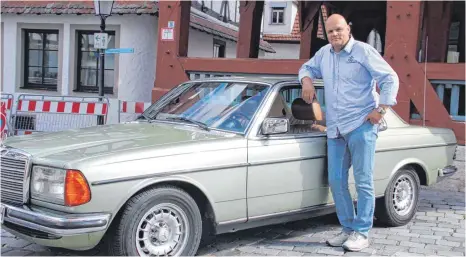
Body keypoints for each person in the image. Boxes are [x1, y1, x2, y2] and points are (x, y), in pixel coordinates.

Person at [298, 14, 399, 252]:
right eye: (331, 31)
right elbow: (307, 67)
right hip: (335, 128)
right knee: (336, 180)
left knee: (363, 181)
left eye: (339, 30)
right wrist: (306, 81)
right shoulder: (324, 54)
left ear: (348, 29)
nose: (334, 35)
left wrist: (381, 109)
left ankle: (362, 233)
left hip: (361, 125)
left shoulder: (363, 51)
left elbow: (390, 78)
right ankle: (347, 228)